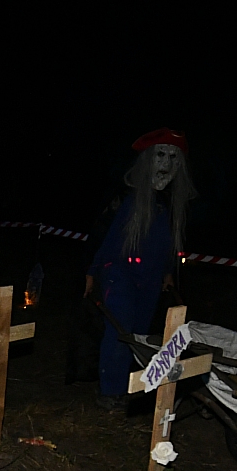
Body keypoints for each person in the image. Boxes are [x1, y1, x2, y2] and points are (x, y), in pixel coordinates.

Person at [84, 128, 196, 409]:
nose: (166, 164)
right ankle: (111, 391)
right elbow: (106, 235)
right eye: (160, 154)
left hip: (151, 277)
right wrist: (93, 270)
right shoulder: (126, 197)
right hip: (120, 272)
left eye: (174, 157)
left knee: (140, 334)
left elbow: (166, 243)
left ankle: (130, 386)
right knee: (120, 332)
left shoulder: (170, 203)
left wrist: (167, 272)